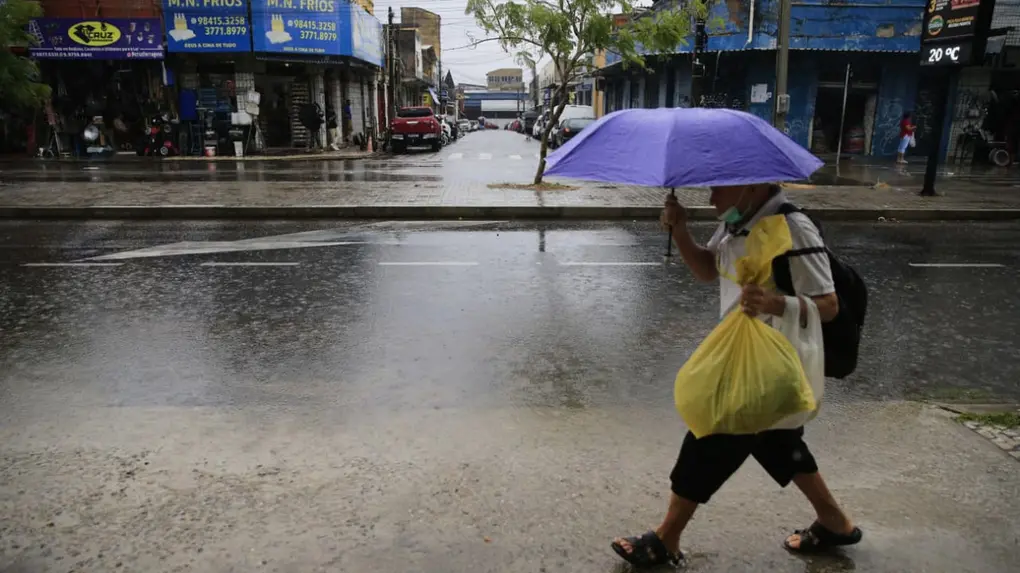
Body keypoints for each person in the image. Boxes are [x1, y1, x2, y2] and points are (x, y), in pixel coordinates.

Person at [610, 184, 862, 568]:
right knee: (777, 440)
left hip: (772, 363)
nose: (712, 198)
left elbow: (829, 305)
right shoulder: (739, 221)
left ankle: (666, 539)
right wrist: (679, 230)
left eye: (719, 189)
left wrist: (777, 303)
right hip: (748, 355)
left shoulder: (794, 227)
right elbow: (708, 270)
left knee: (711, 432)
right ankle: (835, 522)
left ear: (751, 185)